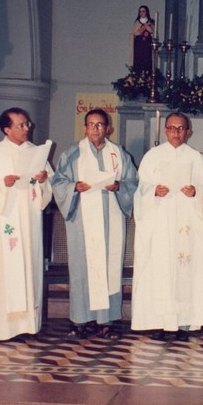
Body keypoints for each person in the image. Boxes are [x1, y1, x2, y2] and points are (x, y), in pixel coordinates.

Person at [52, 109, 138, 340]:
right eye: (91, 124)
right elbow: (58, 181)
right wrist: (74, 187)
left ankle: (107, 321)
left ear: (108, 128)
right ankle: (80, 320)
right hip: (82, 222)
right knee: (82, 270)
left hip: (111, 221)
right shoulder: (72, 154)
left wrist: (119, 186)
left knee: (109, 269)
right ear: (84, 128)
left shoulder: (118, 154)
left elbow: (133, 181)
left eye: (100, 125)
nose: (96, 129)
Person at [131, 112, 203, 341]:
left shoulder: (197, 159)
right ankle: (158, 322)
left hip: (187, 224)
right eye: (172, 128)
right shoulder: (152, 157)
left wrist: (195, 191)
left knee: (186, 270)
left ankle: (184, 322)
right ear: (165, 130)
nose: (176, 132)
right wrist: (153, 192)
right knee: (159, 270)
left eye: (181, 128)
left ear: (188, 132)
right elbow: (141, 189)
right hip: (160, 223)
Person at [0, 108, 53, 341]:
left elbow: (48, 185)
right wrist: (2, 184)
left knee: (29, 266)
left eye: (27, 124)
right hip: (4, 221)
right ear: (6, 129)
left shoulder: (36, 153)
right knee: (5, 271)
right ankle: (4, 328)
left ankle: (29, 325)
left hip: (29, 220)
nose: (26, 128)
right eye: (20, 125)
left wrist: (42, 180)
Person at [128, 5, 155, 73]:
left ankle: (148, 74)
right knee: (138, 61)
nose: (141, 13)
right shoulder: (137, 23)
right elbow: (133, 34)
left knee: (147, 61)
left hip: (147, 46)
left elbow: (154, 34)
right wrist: (136, 33)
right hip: (138, 46)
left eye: (143, 11)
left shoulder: (150, 23)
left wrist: (149, 29)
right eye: (140, 11)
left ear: (146, 12)